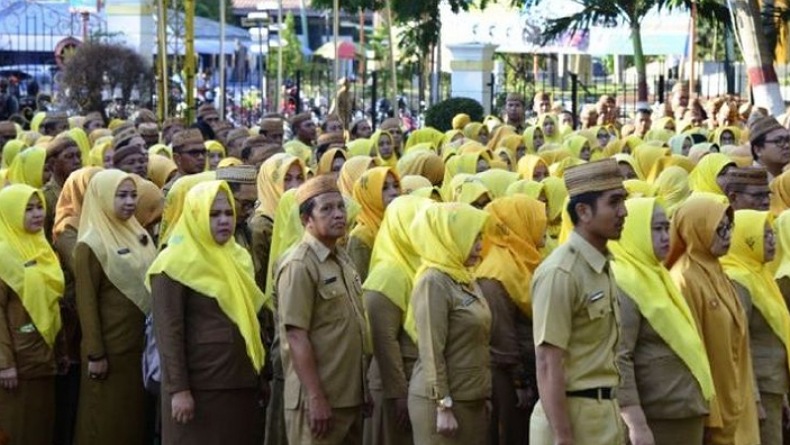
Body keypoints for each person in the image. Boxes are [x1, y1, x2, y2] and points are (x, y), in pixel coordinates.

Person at [149, 180, 267, 445]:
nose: (224, 221)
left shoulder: (237, 257)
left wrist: (260, 376)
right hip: (201, 385)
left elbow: (251, 321)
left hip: (240, 381)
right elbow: (169, 333)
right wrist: (179, 390)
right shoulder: (172, 264)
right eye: (213, 214)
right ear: (195, 216)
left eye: (228, 213)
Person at [529, 159, 627, 445]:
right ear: (583, 211)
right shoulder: (561, 272)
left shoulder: (600, 264)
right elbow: (548, 362)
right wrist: (563, 436)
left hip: (604, 415)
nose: (624, 212)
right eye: (614, 202)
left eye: (623, 201)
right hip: (571, 419)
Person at [276, 175, 370, 445]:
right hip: (318, 400)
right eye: (326, 209)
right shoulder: (300, 264)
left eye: (340, 207)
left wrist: (363, 390)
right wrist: (315, 397)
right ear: (307, 219)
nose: (338, 214)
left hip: (348, 397)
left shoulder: (341, 257)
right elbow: (296, 336)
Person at [611, 198, 714, 445]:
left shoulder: (657, 275)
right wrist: (636, 423)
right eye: (657, 229)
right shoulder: (623, 282)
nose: (666, 236)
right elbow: (619, 357)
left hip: (682, 407)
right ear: (634, 231)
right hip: (656, 414)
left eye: (667, 227)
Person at [666, 195, 760, 445]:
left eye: (729, 227)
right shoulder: (685, 278)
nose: (728, 236)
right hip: (714, 404)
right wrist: (710, 412)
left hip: (735, 393)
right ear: (696, 229)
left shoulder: (718, 271)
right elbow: (693, 352)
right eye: (719, 229)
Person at [73, 169, 157, 445]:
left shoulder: (138, 233)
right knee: (105, 422)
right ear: (102, 197)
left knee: (133, 422)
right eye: (121, 196)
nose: (130, 202)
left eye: (133, 195)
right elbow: (86, 304)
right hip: (110, 352)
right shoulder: (90, 244)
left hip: (139, 348)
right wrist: (95, 353)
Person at [406, 202, 491, 445]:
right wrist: (442, 404)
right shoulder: (433, 282)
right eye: (472, 237)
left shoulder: (464, 277)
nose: (479, 245)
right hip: (443, 405)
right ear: (450, 237)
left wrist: (484, 393)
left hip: (471, 398)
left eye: (480, 237)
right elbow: (431, 349)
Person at [476, 195, 546, 445]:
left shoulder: (522, 260)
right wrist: (520, 382)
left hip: (530, 367)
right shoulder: (496, 272)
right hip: (509, 378)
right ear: (519, 223)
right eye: (536, 219)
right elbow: (502, 336)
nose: (544, 225)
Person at [362, 195, 431, 445]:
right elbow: (383, 342)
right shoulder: (388, 274)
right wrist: (399, 394)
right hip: (395, 387)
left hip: (417, 380)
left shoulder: (421, 264)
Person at [0, 184, 64, 445]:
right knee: (17, 428)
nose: (37, 214)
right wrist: (4, 364)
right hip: (19, 363)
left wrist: (60, 350)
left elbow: (52, 304)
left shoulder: (41, 247)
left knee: (40, 428)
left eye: (39, 207)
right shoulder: (3, 254)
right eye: (28, 209)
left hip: (44, 357)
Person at [721, 210, 790, 445]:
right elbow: (740, 343)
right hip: (758, 384)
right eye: (764, 235)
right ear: (745, 238)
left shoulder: (760, 275)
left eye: (772, 234)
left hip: (773, 383)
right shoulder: (738, 280)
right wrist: (755, 398)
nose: (772, 241)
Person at [249, 153, 307, 290]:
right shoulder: (260, 226)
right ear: (270, 183)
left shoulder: (305, 216)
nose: (295, 185)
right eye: (286, 179)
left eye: (300, 178)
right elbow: (259, 281)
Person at [347, 167, 401, 281]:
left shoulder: (399, 225)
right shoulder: (362, 236)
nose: (394, 192)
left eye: (396, 186)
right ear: (369, 195)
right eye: (384, 188)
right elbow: (359, 283)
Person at [165, 129, 207, 194]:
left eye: (203, 152)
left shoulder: (211, 181)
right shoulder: (171, 190)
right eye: (194, 153)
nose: (201, 157)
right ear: (177, 158)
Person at [749, 114, 790, 181]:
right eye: (778, 141)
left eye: (788, 140)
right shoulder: (750, 180)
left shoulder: (785, 176)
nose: (787, 145)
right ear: (758, 150)